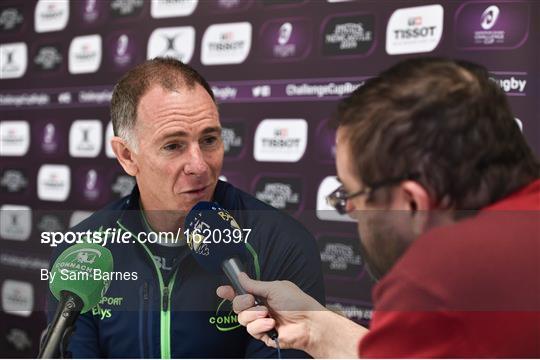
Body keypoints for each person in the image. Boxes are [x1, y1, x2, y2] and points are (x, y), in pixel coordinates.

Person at [217, 57, 540, 357]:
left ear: (413, 203)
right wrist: (316, 329)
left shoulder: (437, 280)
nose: (352, 211)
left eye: (354, 195)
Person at [45, 57, 325, 358]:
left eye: (208, 139)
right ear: (127, 155)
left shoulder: (280, 243)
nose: (199, 165)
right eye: (173, 145)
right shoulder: (81, 254)